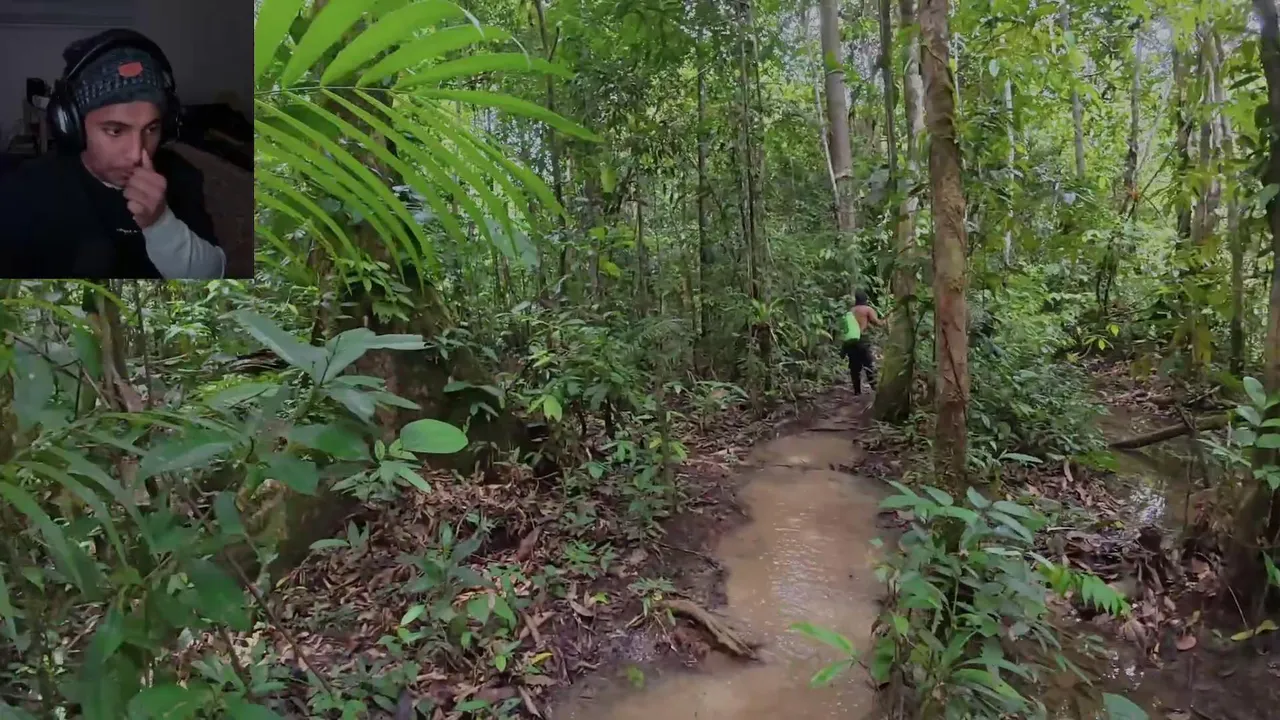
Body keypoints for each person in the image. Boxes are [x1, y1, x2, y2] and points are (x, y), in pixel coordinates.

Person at [0, 28, 225, 279]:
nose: (136, 154)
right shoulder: (25, 191)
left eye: (151, 129)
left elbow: (213, 277)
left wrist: (161, 223)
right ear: (71, 125)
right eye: (115, 131)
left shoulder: (182, 176)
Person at [840, 290, 882, 395]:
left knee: (854, 367)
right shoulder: (867, 309)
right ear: (865, 299)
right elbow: (877, 323)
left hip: (850, 341)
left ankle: (857, 391)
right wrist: (886, 321)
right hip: (862, 340)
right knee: (868, 364)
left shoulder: (851, 311)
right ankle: (875, 388)